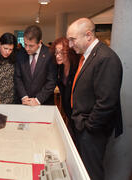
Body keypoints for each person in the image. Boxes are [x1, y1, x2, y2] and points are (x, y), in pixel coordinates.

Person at [67, 18, 123, 180]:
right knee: (83, 168)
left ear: (89, 35)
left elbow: (106, 103)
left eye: (73, 40)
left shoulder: (106, 58)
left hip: (92, 131)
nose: (70, 45)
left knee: (92, 172)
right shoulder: (88, 55)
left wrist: (88, 128)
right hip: (82, 124)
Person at [15, 25, 57, 106]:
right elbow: (17, 77)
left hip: (43, 103)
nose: (27, 48)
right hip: (24, 102)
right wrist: (24, 96)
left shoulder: (49, 54)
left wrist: (38, 100)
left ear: (39, 42)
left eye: (31, 46)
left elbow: (52, 81)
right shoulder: (20, 54)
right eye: (25, 44)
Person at [50, 37, 80, 140]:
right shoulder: (60, 67)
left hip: (78, 115)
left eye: (62, 53)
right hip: (69, 113)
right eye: (56, 52)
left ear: (70, 53)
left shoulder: (77, 68)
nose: (58, 56)